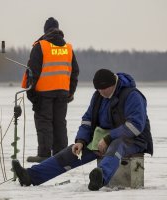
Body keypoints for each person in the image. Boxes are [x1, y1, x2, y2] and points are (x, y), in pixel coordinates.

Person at [14, 68, 153, 191]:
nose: (100, 92)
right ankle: (31, 176)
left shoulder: (132, 95)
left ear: (113, 85)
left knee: (117, 145)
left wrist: (109, 138)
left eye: (102, 89)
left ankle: (100, 178)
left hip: (133, 140)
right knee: (73, 152)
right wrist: (81, 140)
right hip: (104, 138)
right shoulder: (98, 96)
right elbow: (87, 121)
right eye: (97, 89)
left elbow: (135, 126)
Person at [22, 17, 79, 163]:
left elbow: (32, 72)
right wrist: (70, 92)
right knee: (60, 122)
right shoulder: (68, 48)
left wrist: (31, 93)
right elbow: (75, 72)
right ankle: (62, 155)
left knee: (44, 122)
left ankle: (44, 154)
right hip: (62, 93)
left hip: (44, 93)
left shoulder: (40, 46)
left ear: (45, 30)